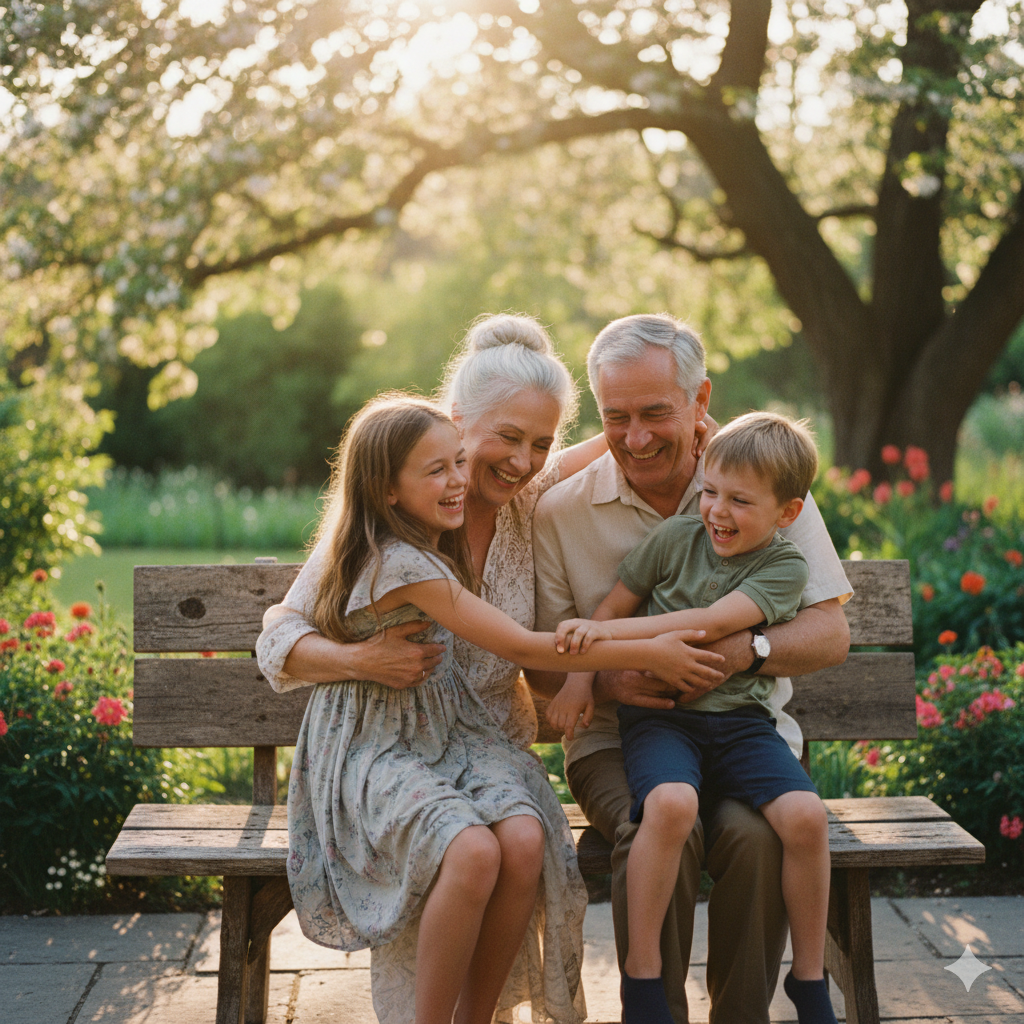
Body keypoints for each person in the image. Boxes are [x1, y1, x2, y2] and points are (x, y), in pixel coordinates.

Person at [256, 313, 720, 1023]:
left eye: (540, 444)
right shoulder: (397, 526)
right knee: (469, 850)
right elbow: (278, 635)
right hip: (394, 748)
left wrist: (685, 426)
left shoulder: (523, 503)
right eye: (507, 439)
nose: (524, 461)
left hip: (481, 746)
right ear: (456, 421)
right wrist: (359, 659)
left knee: (526, 837)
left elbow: (616, 443)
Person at [529, 314, 853, 1024]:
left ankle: (745, 1015)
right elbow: (547, 670)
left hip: (742, 726)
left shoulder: (760, 478)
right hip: (620, 736)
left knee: (757, 835)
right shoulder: (561, 512)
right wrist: (618, 676)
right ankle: (654, 1011)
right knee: (661, 826)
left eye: (655, 414)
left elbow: (830, 633)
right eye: (617, 418)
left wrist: (746, 653)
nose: (636, 438)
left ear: (701, 399)